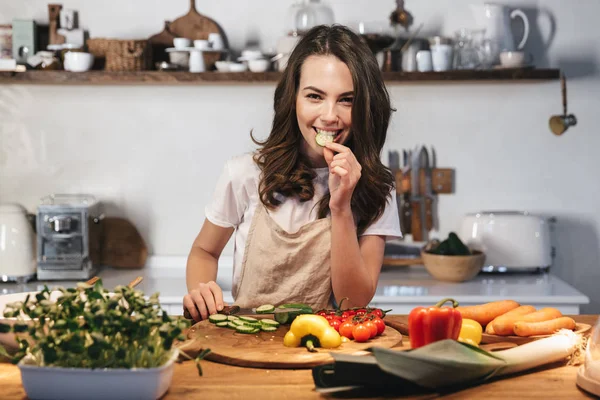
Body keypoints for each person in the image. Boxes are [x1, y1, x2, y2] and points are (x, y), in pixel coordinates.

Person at [183, 24, 402, 321]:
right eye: (314, 96)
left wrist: (341, 207)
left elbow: (355, 303)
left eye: (346, 100)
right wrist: (202, 291)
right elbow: (204, 252)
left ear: (365, 106)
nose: (329, 116)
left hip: (322, 349)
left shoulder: (377, 188)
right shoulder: (245, 174)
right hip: (246, 347)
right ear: (293, 98)